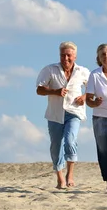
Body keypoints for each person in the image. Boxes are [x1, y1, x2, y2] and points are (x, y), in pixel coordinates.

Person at [36, 41, 90, 189]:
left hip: (74, 112)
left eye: (69, 55)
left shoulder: (82, 71)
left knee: (70, 139)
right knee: (56, 145)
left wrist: (85, 97)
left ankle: (70, 174)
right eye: (63, 55)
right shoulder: (50, 70)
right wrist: (54, 91)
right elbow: (39, 89)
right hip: (55, 113)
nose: (65, 58)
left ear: (75, 56)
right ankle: (60, 177)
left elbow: (94, 87)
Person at [85, 43, 107, 190]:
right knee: (104, 149)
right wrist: (95, 102)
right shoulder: (95, 75)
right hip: (100, 116)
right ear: (98, 58)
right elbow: (88, 100)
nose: (106, 56)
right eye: (103, 54)